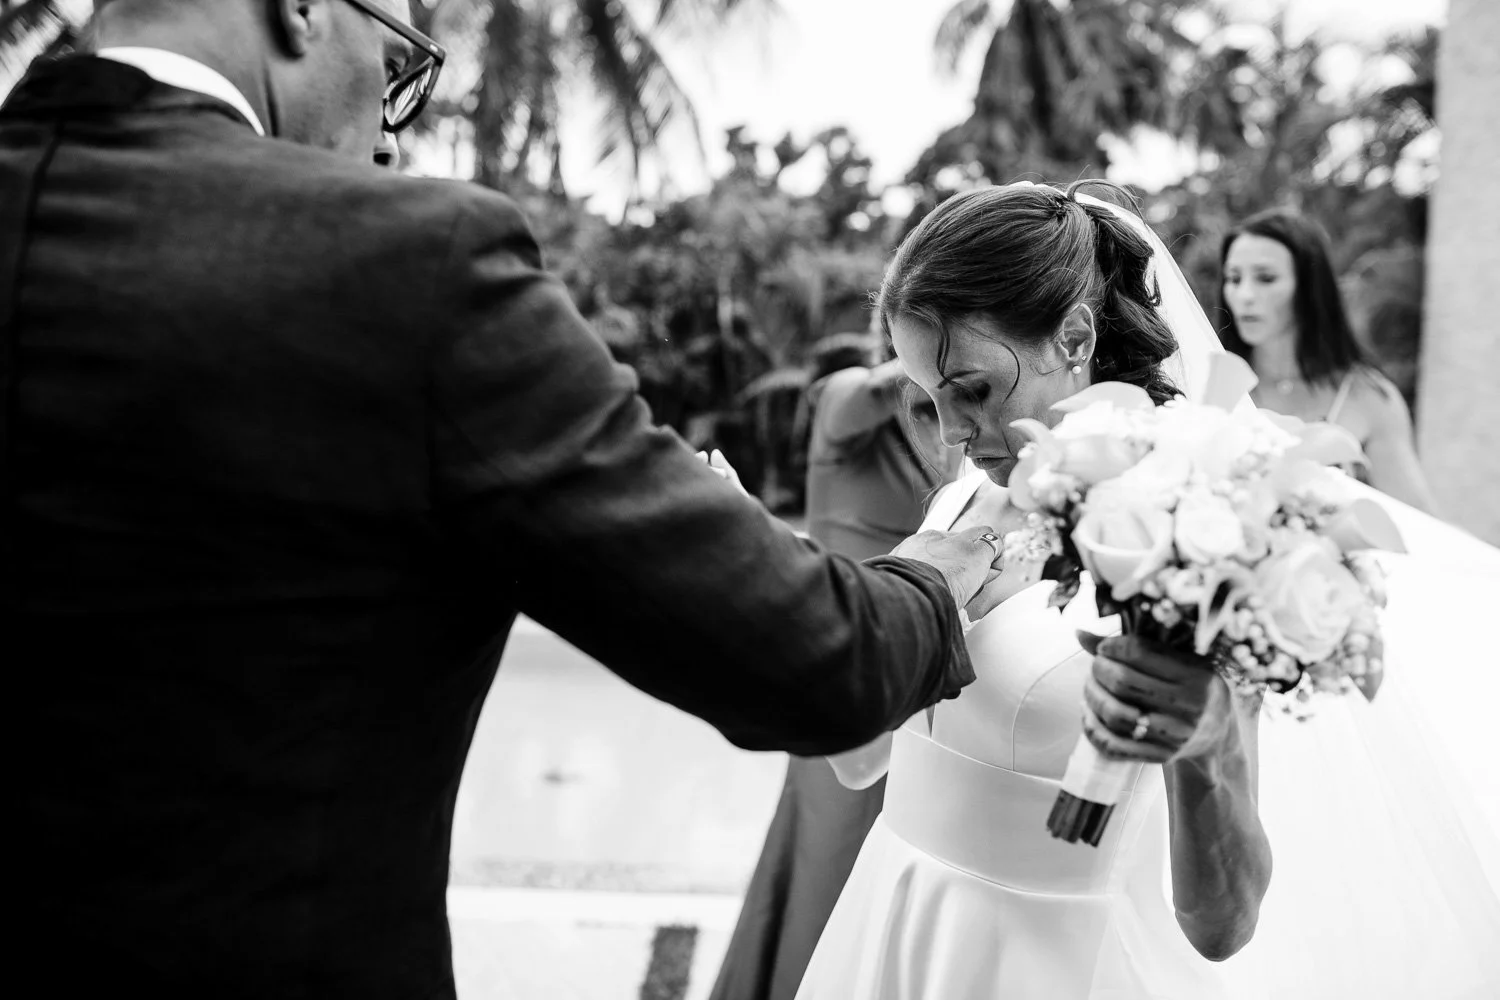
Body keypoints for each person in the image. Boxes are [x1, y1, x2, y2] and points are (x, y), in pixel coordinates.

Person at [0, 2, 1016, 994]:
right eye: (400, 61)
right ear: (301, 10)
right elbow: (811, 663)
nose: (392, 138)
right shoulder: (406, 268)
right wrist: (934, 572)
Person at [794, 182, 1500, 1000]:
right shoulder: (961, 499)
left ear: (1075, 334)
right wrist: (833, 598)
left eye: (975, 391)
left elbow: (1224, 924)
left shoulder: (1191, 514)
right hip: (898, 923)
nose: (951, 434)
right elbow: (859, 764)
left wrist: (1209, 745)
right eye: (930, 399)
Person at [710, 338, 963, 1000]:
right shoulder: (842, 401)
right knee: (829, 858)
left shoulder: (925, 449)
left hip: (904, 668)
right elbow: (877, 387)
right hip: (846, 668)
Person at [1219, 208, 1439, 513]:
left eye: (1265, 278)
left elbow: (1421, 524)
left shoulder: (1369, 398)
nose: (1244, 294)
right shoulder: (1217, 382)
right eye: (1233, 278)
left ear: (1309, 288)